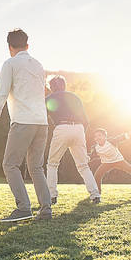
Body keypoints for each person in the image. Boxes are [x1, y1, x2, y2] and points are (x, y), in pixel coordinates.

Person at [0, 29, 52, 221]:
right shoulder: (38, 65)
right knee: (36, 167)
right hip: (42, 122)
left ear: (10, 47)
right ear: (27, 46)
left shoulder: (10, 63)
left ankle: (23, 208)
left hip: (23, 121)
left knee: (10, 164)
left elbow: (1, 93)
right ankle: (46, 210)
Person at [45, 75, 101, 204]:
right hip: (79, 128)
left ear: (52, 87)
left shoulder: (49, 98)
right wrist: (81, 135)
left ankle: (52, 196)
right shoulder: (75, 97)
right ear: (64, 85)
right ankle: (95, 195)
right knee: (83, 166)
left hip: (62, 127)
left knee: (52, 164)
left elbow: (41, 117)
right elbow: (86, 121)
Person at [92, 128, 131, 192]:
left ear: (105, 136)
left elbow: (120, 138)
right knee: (97, 176)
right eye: (95, 136)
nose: (97, 138)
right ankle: (97, 192)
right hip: (106, 163)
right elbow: (92, 156)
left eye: (99, 135)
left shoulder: (111, 141)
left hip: (119, 161)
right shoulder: (96, 147)